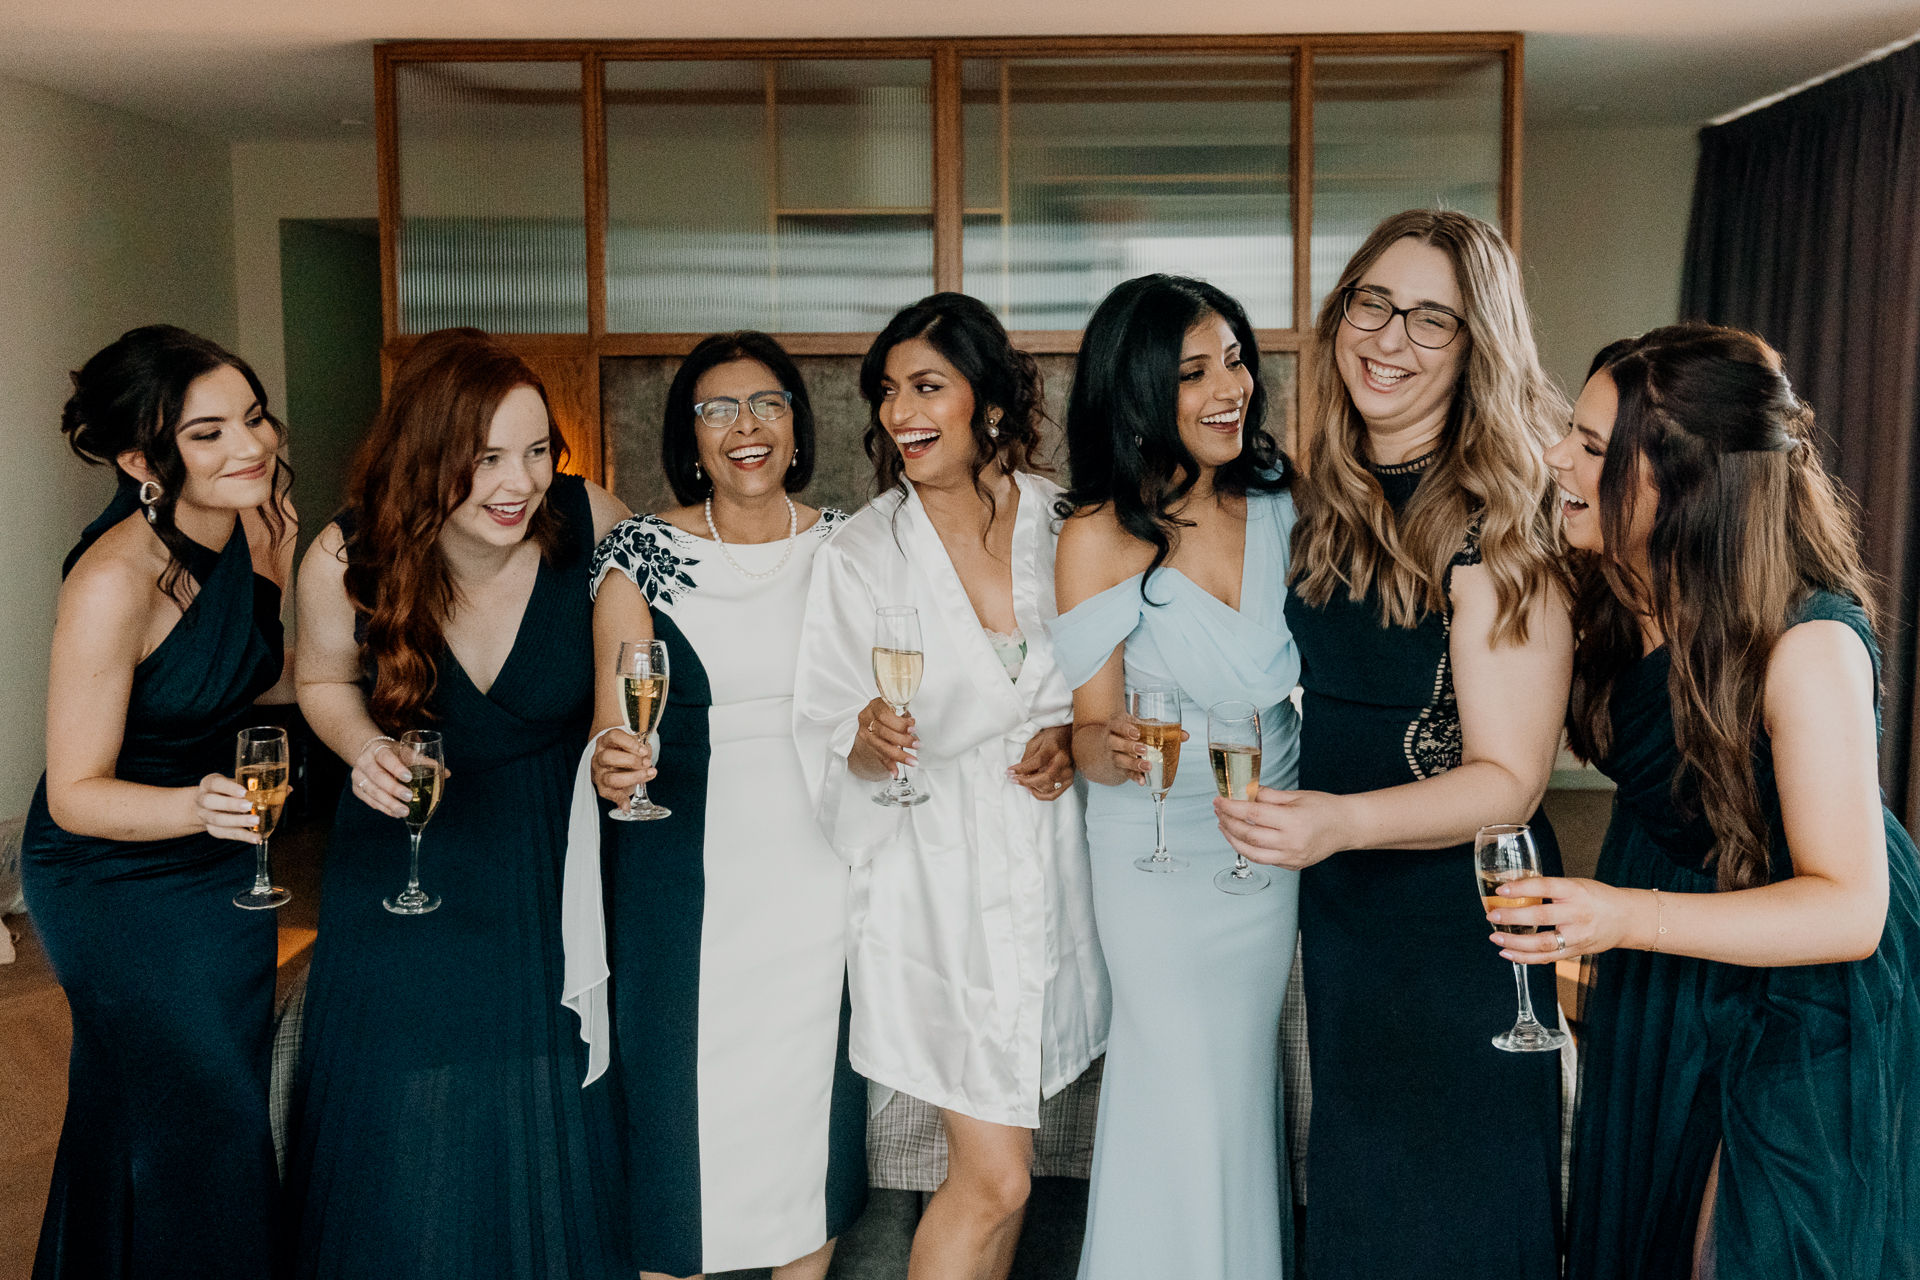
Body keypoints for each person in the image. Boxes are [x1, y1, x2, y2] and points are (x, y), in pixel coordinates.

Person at [1499, 324, 1920, 1279]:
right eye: (1572, 430)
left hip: (1806, 978)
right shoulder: (1605, 581)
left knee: (1749, 1251)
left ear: (1683, 487)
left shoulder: (1808, 645)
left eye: (1593, 447)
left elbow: (1852, 909)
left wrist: (1621, 917)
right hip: (1671, 953)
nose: (1558, 456)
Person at [1215, 209, 1571, 1279]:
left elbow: (1509, 781)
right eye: (1373, 303)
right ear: (1338, 318)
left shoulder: (1497, 527)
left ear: (1478, 350)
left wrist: (1342, 820)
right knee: (1364, 1207)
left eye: (1433, 319)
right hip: (1348, 909)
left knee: (1451, 1217)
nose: (1390, 337)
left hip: (1463, 924)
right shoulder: (1320, 502)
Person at [282, 327, 631, 1279]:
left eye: (533, 452)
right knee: (406, 1101)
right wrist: (363, 748)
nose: (518, 483)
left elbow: (640, 665)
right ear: (428, 453)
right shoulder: (343, 555)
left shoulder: (594, 520)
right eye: (485, 459)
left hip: (549, 858)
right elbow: (319, 681)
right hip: (409, 858)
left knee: (549, 1092)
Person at [792, 292, 1108, 1280]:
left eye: (927, 386)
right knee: (1000, 1176)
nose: (900, 412)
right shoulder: (862, 551)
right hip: (931, 891)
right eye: (888, 391)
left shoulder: (1065, 522)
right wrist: (864, 739)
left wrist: (1066, 730)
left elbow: (1106, 680)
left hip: (1048, 879)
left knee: (1004, 1158)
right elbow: (819, 724)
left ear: (991, 401)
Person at [561, 331, 865, 1280]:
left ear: (796, 424)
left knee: (810, 1100)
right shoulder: (638, 553)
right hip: (680, 866)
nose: (747, 426)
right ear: (689, 436)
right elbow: (619, 723)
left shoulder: (849, 545)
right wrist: (615, 765)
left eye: (768, 403)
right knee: (675, 1102)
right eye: (719, 408)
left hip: (820, 862)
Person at [22, 325, 296, 1278]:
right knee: (209, 1113)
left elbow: (247, 674)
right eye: (208, 433)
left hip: (220, 859)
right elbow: (77, 794)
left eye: (253, 418)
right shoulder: (112, 581)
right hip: (113, 869)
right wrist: (201, 806)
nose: (250, 447)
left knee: (152, 1103)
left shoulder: (262, 523)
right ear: (142, 458)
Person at [1051, 274, 1300, 1279]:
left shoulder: (1289, 502)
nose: (1228, 385)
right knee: (1178, 1085)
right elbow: (1090, 729)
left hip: (1269, 832)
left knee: (1239, 1087)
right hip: (1153, 845)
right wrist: (1099, 745)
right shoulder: (1098, 535)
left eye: (1235, 358)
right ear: (1141, 389)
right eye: (1194, 370)